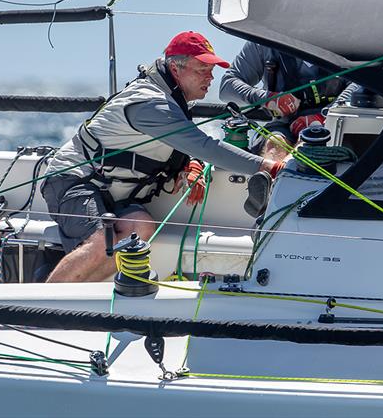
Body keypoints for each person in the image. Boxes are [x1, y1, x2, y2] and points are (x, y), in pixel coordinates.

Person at [41, 31, 282, 282]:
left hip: (111, 191)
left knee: (141, 229)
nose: (211, 77)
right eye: (202, 69)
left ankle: (73, 299)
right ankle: (39, 311)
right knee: (104, 242)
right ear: (176, 69)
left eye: (212, 70)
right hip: (72, 181)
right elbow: (203, 145)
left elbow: (183, 146)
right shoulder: (150, 103)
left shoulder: (172, 101)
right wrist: (268, 166)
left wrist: (191, 163)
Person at [219, 41, 358, 162]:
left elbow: (369, 81)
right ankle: (270, 183)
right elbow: (227, 87)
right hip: (282, 125)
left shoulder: (349, 38)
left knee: (307, 147)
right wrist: (267, 98)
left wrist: (325, 115)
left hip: (337, 125)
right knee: (275, 144)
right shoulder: (263, 41)